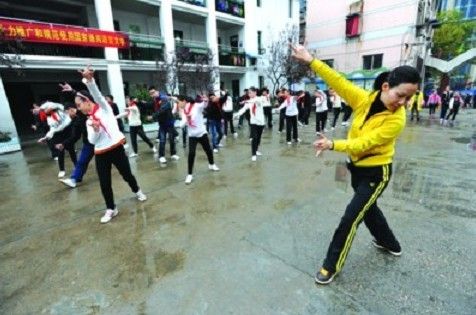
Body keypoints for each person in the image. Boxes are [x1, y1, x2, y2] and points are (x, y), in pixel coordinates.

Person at [291, 44, 420, 285]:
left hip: (376, 173)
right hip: (356, 169)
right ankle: (389, 243)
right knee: (368, 209)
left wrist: (333, 145)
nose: (403, 102)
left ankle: (331, 266)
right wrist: (311, 61)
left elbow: (364, 143)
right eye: (400, 95)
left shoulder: (397, 120)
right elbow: (338, 81)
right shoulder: (364, 99)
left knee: (351, 218)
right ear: (385, 87)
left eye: (409, 97)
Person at [76, 65, 147, 224]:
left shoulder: (104, 109)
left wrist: (90, 81)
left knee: (127, 175)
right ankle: (111, 208)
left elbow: (98, 95)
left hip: (116, 148)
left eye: (79, 105)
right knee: (104, 182)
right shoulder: (88, 120)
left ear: (87, 101)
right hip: (101, 153)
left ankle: (137, 191)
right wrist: (95, 129)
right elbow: (92, 141)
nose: (78, 108)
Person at [176, 95, 220, 184]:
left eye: (178, 102)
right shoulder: (184, 111)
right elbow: (182, 124)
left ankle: (212, 164)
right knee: (191, 153)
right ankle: (189, 175)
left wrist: (206, 100)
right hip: (192, 136)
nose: (177, 104)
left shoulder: (196, 106)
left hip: (202, 133)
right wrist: (180, 116)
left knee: (208, 150)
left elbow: (204, 105)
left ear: (184, 101)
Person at [37, 101, 76, 178]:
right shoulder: (49, 119)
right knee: (60, 152)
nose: (46, 110)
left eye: (47, 109)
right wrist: (45, 138)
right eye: (44, 111)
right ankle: (62, 170)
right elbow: (52, 130)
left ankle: (77, 165)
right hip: (58, 134)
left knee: (71, 150)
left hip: (67, 130)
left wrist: (40, 108)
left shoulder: (60, 108)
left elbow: (54, 105)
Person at [234, 87, 266, 161]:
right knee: (254, 137)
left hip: (260, 122)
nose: (249, 94)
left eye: (250, 92)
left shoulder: (259, 98)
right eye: (248, 93)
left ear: (255, 92)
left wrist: (247, 101)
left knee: (258, 138)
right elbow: (244, 109)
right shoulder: (249, 102)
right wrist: (237, 114)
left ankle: (257, 150)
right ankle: (253, 154)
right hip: (253, 122)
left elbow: (256, 101)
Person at [149, 87, 179, 164]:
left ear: (157, 91)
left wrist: (153, 116)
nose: (152, 94)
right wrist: (140, 103)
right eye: (150, 93)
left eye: (153, 92)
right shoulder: (155, 100)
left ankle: (173, 154)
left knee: (172, 139)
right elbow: (149, 105)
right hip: (162, 124)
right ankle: (161, 156)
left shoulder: (163, 98)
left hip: (169, 123)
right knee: (162, 140)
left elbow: (162, 109)